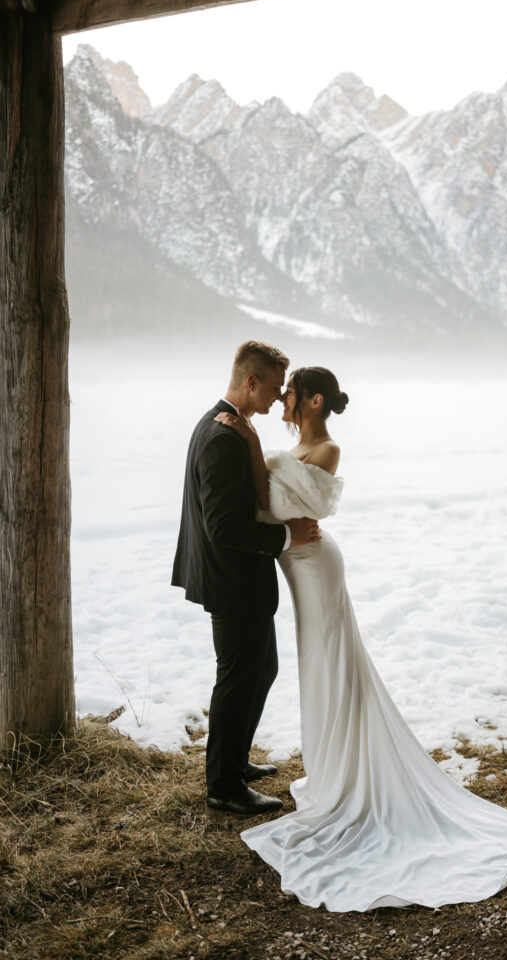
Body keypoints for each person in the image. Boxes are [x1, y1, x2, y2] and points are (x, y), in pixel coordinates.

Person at [214, 365, 507, 912]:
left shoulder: (327, 449)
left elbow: (279, 504)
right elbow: (270, 500)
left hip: (315, 566)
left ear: (313, 399)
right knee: (317, 668)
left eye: (290, 393)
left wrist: (254, 448)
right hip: (296, 563)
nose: (280, 398)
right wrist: (258, 452)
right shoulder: (293, 444)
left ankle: (349, 773)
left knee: (333, 663)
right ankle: (331, 767)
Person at [171, 341, 321, 817]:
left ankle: (233, 763)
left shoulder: (232, 426)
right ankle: (224, 786)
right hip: (231, 580)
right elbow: (223, 526)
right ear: (251, 381)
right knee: (237, 678)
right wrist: (285, 535)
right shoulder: (220, 437)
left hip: (238, 579)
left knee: (262, 668)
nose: (280, 398)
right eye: (276, 388)